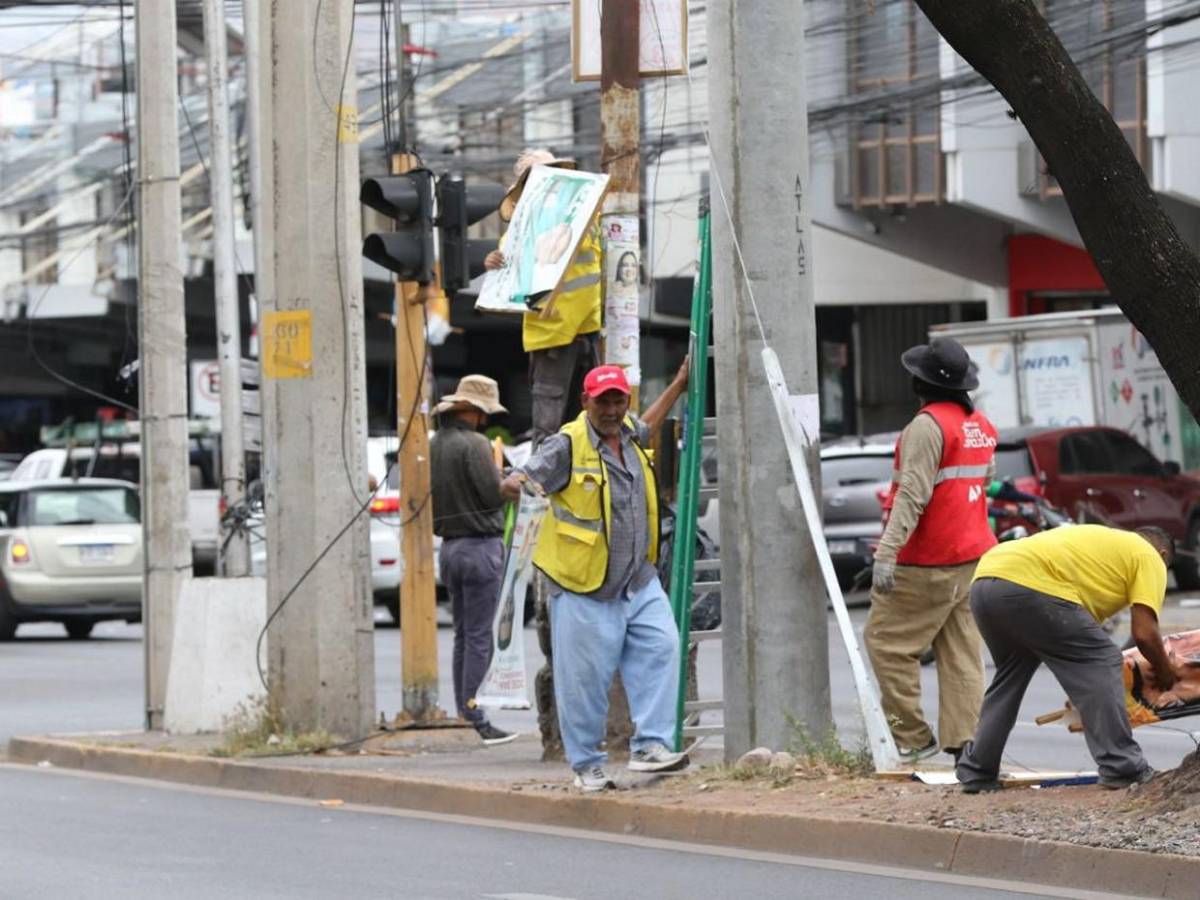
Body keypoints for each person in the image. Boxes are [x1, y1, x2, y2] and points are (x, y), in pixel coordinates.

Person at [499, 361, 689, 791]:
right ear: (586, 401)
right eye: (602, 400)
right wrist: (522, 488)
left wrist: (678, 384)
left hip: (638, 579)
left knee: (663, 647)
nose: (611, 408)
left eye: (618, 399)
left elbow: (650, 423)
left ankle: (651, 747)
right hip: (585, 586)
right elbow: (515, 480)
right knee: (584, 684)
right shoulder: (567, 445)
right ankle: (586, 764)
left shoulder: (629, 434)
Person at [956, 525, 1180, 792]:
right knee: (1102, 659)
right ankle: (1122, 766)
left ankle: (977, 771)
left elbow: (1084, 654)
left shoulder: (1105, 551)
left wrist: (1090, 692)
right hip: (1029, 586)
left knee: (1010, 675)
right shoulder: (1149, 556)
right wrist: (1166, 671)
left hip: (986, 581)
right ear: (1163, 553)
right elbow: (1144, 634)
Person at [865, 337, 997, 763]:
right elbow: (980, 482)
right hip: (973, 556)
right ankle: (968, 746)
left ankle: (912, 736)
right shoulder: (980, 425)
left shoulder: (926, 426)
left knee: (886, 644)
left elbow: (913, 495)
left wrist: (886, 553)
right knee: (960, 652)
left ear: (919, 383)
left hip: (927, 562)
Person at [485, 149, 603, 447]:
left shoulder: (583, 215)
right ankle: (542, 488)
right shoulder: (521, 232)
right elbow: (506, 279)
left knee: (591, 421)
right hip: (551, 336)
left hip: (585, 331)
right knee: (550, 427)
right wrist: (494, 261)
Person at [430, 374, 516, 747]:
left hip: (450, 549)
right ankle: (477, 713)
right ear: (476, 412)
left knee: (463, 635)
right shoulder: (476, 444)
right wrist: (507, 479)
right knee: (481, 636)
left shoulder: (436, 443)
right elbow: (493, 494)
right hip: (481, 548)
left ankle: (464, 708)